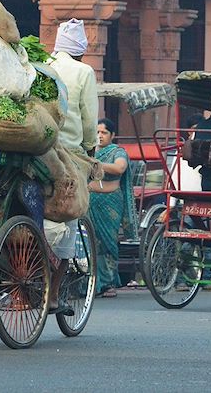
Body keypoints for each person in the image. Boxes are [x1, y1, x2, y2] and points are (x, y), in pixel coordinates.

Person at [44, 18, 99, 312]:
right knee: (68, 218)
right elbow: (89, 121)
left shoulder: (42, 66)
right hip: (69, 155)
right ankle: (53, 295)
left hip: (37, 150)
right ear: (80, 50)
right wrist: (91, 149)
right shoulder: (83, 72)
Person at [88, 118, 138, 297]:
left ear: (113, 135)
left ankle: (108, 284)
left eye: (104, 133)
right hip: (89, 200)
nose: (100, 136)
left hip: (110, 201)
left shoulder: (117, 152)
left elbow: (119, 168)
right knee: (89, 242)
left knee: (108, 242)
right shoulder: (89, 151)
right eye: (97, 132)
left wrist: (95, 165)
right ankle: (91, 283)